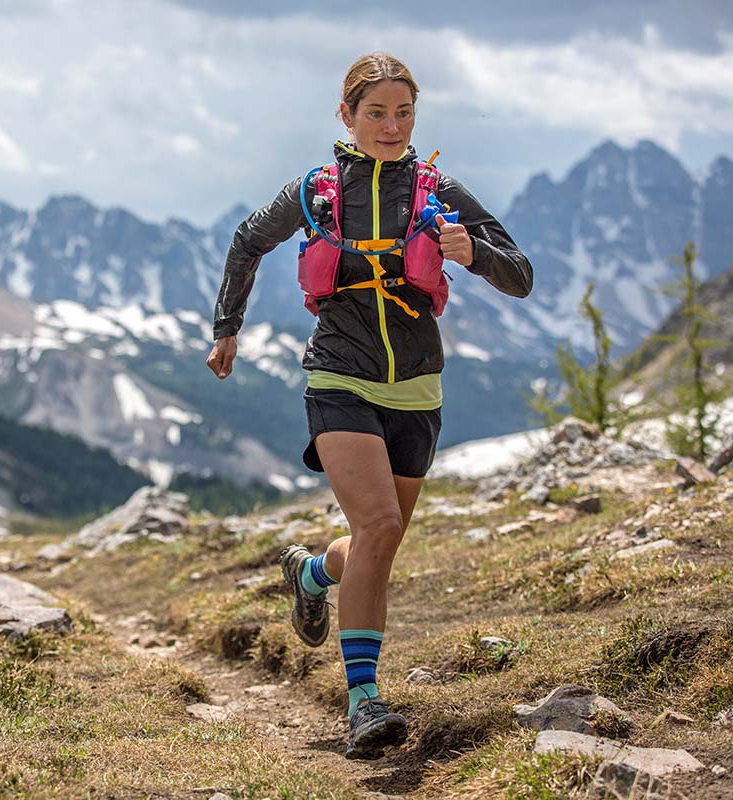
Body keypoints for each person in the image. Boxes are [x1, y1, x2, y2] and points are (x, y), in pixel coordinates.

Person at [206, 52, 532, 760]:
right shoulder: (316, 192)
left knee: (377, 545)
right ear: (346, 115)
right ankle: (363, 701)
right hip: (339, 375)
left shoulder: (437, 189)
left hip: (417, 386)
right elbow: (246, 241)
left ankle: (311, 574)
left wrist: (471, 252)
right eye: (376, 112)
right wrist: (226, 328)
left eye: (404, 112)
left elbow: (521, 276)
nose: (392, 126)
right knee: (379, 525)